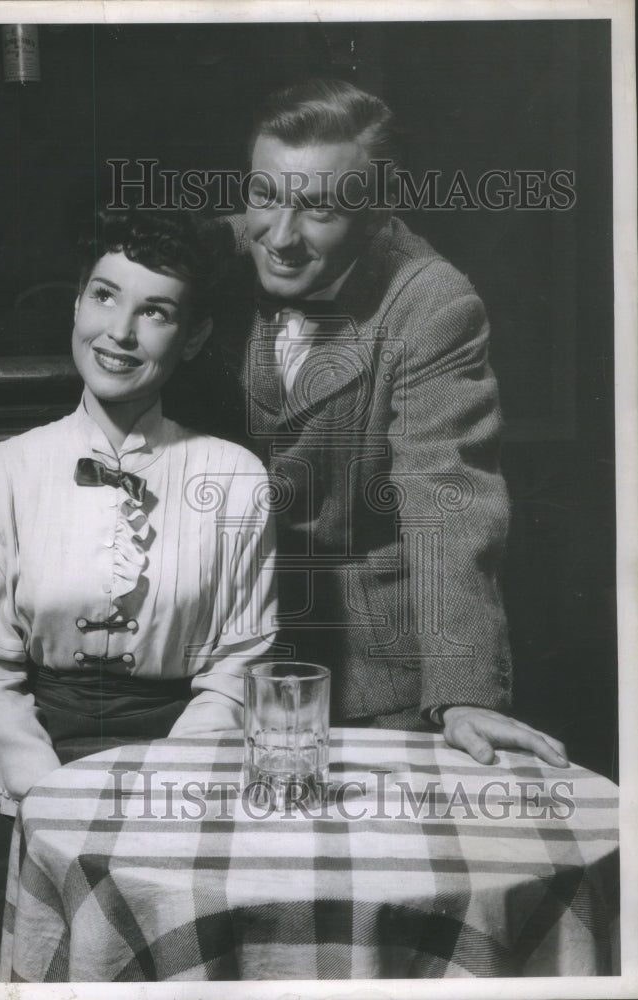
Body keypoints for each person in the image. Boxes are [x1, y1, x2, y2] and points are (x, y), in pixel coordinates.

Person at [0, 209, 276, 982]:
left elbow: (240, 660)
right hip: (28, 766)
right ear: (77, 305)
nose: (119, 332)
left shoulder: (236, 479)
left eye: (154, 311)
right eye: (103, 296)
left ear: (191, 338)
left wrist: (174, 783)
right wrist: (50, 795)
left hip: (181, 761)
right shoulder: (2, 473)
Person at [212, 78, 568, 768]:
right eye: (264, 196)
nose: (279, 237)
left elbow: (447, 496)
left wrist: (466, 693)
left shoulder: (433, 302)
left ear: (376, 210)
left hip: (379, 681)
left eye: (318, 209)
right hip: (223, 664)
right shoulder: (219, 263)